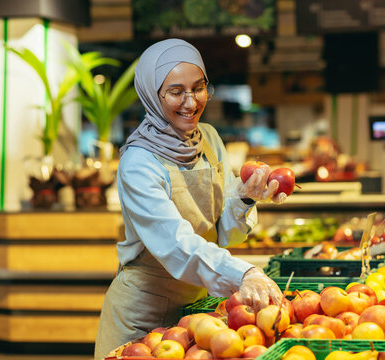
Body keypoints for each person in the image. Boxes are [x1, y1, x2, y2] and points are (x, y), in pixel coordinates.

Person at [94, 39, 286, 359]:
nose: (190, 102)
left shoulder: (208, 139)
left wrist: (244, 198)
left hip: (199, 309)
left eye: (198, 88)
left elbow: (226, 234)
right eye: (175, 91)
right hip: (143, 314)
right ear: (151, 95)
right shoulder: (138, 163)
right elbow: (176, 244)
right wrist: (243, 274)